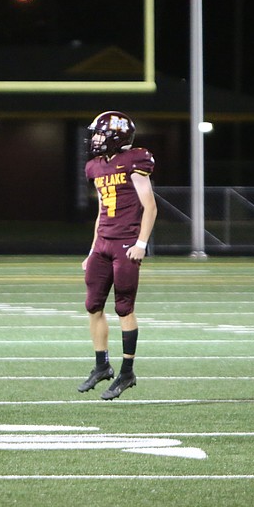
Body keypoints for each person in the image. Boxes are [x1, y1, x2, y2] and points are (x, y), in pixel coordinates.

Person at [78, 111, 157, 400]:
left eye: (100, 134)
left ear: (116, 135)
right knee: (92, 305)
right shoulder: (95, 166)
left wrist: (141, 243)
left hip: (126, 242)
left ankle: (127, 372)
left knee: (123, 307)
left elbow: (150, 206)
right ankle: (102, 366)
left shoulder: (134, 160)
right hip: (103, 243)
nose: (95, 139)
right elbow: (101, 211)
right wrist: (91, 250)